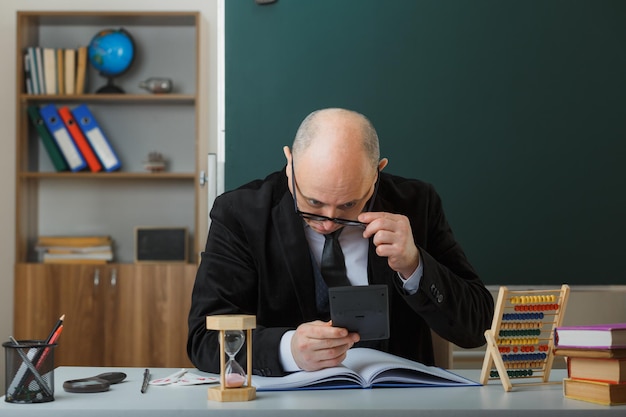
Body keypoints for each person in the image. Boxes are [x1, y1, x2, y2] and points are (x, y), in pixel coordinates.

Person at [188, 108, 494, 376]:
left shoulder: (417, 205)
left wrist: (415, 265)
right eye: (312, 203)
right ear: (289, 162)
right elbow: (204, 339)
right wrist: (288, 349)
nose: (328, 222)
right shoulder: (240, 214)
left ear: (378, 173)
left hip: (395, 401)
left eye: (349, 205)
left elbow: (477, 327)